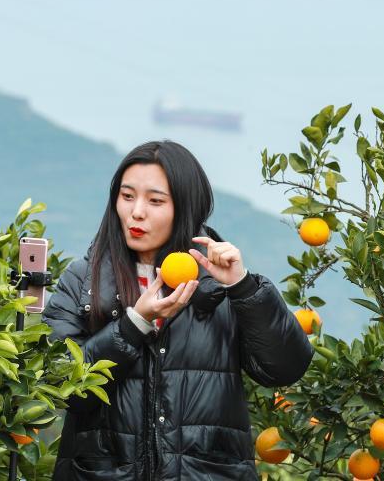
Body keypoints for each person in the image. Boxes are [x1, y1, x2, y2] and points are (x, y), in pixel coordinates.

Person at [42, 140, 314, 480]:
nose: (136, 212)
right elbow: (57, 385)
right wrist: (134, 324)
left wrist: (243, 286)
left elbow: (285, 369)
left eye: (155, 201)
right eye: (127, 196)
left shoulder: (219, 284)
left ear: (185, 207)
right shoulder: (85, 281)